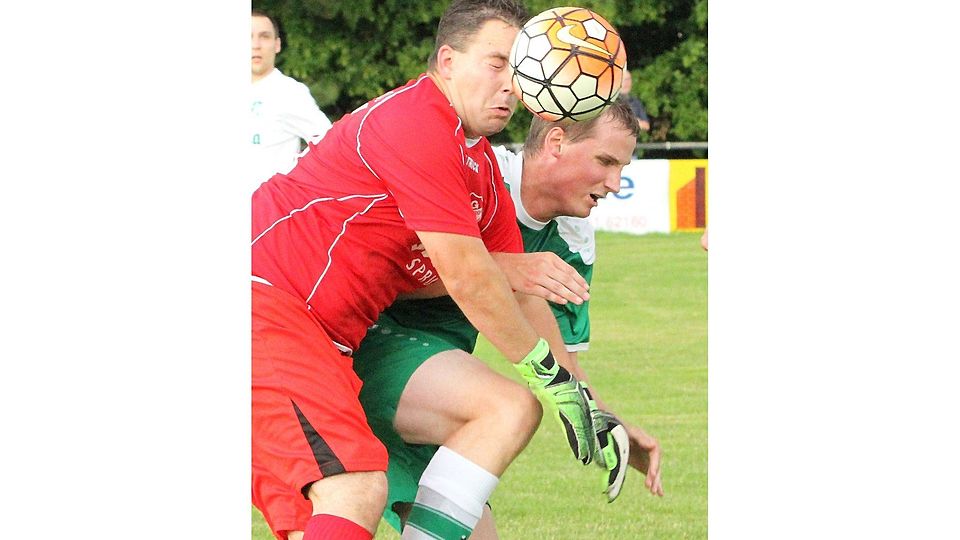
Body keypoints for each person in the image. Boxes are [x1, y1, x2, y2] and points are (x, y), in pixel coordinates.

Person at [251, 2, 603, 539]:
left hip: (323, 339)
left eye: (523, 69)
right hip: (268, 305)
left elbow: (520, 287)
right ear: (446, 61)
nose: (513, 85)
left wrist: (581, 397)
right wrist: (549, 377)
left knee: (324, 517)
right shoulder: (414, 120)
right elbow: (468, 275)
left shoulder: (480, 164)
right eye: (496, 63)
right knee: (355, 488)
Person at [262, 101, 665, 540]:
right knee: (505, 407)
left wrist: (602, 419)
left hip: (429, 389)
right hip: (361, 351)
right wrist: (500, 269)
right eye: (605, 161)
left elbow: (548, 343)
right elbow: (381, 267)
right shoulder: (476, 175)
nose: (614, 182)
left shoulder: (574, 241)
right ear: (556, 142)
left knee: (367, 512)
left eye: (622, 167)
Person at [251, 9, 333, 192]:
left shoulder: (289, 93)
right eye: (248, 37)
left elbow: (329, 146)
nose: (255, 45)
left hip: (269, 212)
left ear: (277, 44)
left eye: (264, 37)